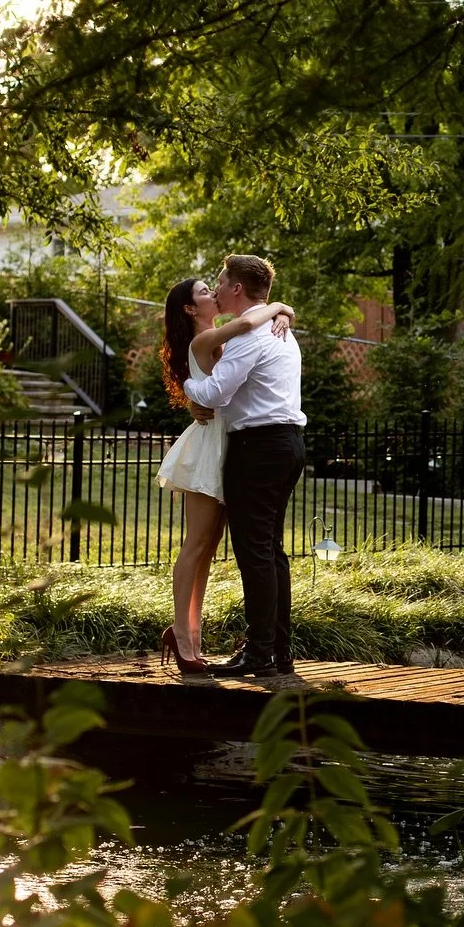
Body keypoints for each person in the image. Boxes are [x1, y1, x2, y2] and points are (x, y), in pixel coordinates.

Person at [155, 276, 294, 674]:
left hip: (231, 445)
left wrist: (280, 310)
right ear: (189, 309)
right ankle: (182, 634)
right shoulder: (205, 340)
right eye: (204, 293)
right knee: (196, 544)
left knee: (210, 547)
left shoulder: (220, 337)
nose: (212, 295)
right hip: (209, 449)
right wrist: (281, 306)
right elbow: (251, 323)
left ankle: (192, 635)